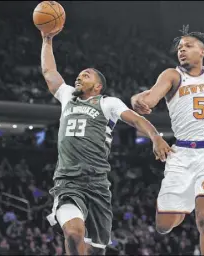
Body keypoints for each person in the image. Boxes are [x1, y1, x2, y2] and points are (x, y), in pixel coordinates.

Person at [40, 28, 173, 255]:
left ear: (98, 86)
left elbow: (136, 119)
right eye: (79, 74)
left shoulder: (107, 103)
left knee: (97, 250)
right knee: (73, 233)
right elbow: (49, 70)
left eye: (86, 75)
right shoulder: (67, 96)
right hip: (69, 182)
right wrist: (47, 38)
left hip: (98, 187)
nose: (79, 77)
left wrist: (155, 136)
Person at [131, 25, 204, 256]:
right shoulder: (172, 75)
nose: (182, 50)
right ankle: (197, 195)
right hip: (181, 155)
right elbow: (151, 97)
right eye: (180, 47)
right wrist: (139, 100)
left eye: (188, 46)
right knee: (163, 225)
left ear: (202, 52)